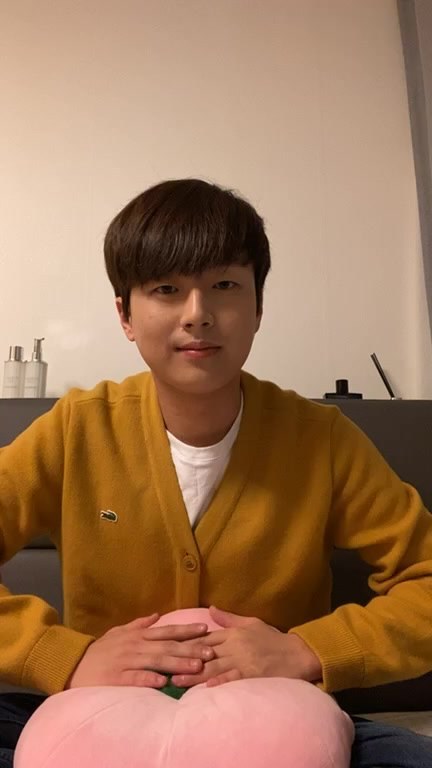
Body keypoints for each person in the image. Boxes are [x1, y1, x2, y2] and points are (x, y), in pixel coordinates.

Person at [1, 178, 432, 768]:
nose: (197, 315)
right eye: (166, 289)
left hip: (277, 723)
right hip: (99, 721)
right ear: (126, 315)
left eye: (224, 286)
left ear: (258, 308)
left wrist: (306, 651)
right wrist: (65, 656)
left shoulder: (322, 439)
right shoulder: (78, 428)